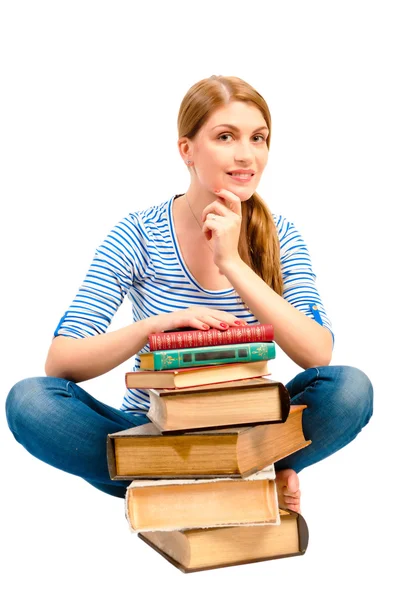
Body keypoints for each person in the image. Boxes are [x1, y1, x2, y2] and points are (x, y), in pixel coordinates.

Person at [5, 75, 373, 512]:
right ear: (187, 150)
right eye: (225, 136)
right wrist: (154, 326)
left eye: (258, 138)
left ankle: (172, 487)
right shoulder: (139, 234)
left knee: (351, 389)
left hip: (251, 429)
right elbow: (61, 361)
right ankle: (241, 484)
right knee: (30, 401)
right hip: (151, 430)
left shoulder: (283, 236)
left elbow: (318, 354)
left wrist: (232, 263)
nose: (246, 155)